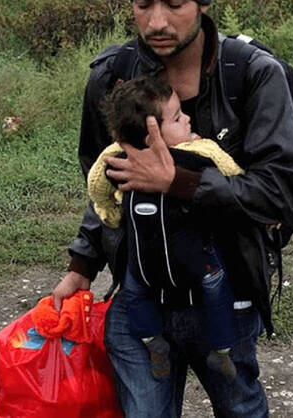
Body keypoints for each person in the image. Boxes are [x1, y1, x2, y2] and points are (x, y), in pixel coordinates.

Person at [51, 0, 293, 417]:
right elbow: (108, 182)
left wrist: (180, 183)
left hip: (224, 292)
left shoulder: (253, 75)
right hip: (140, 291)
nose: (157, 21)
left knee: (240, 409)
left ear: (204, 2)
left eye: (174, 2)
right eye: (143, 3)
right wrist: (81, 267)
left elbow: (278, 194)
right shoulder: (113, 77)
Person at [87, 75, 244, 382]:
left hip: (143, 260)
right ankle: (222, 349)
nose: (187, 118)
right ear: (151, 135)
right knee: (216, 286)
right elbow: (235, 178)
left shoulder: (115, 157)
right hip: (195, 256)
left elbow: (96, 185)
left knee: (134, 293)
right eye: (177, 117)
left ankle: (151, 342)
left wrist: (109, 212)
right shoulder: (203, 150)